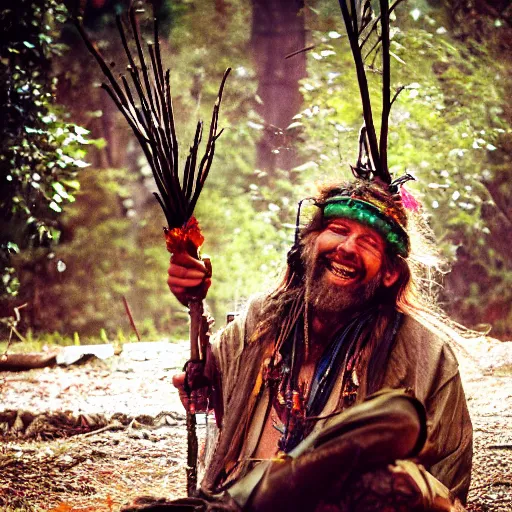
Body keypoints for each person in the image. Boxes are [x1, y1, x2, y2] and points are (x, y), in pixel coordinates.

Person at [163, 179, 473, 512]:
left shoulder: (426, 355)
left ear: (389, 274)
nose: (348, 247)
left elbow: (445, 488)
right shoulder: (262, 321)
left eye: (368, 241)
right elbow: (218, 389)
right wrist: (193, 306)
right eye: (338, 229)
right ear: (309, 242)